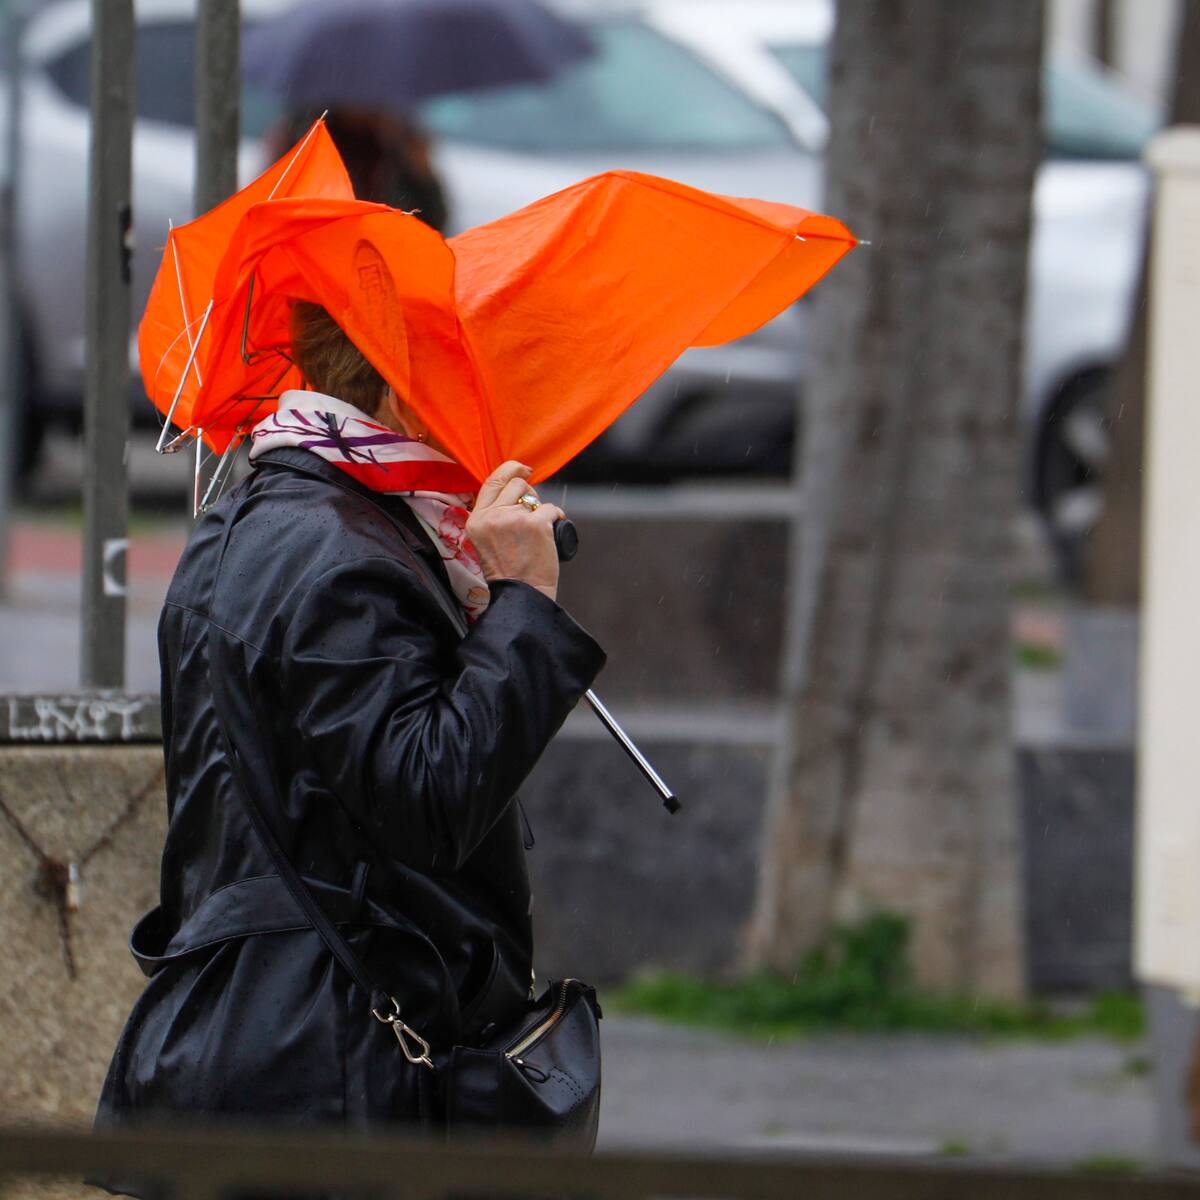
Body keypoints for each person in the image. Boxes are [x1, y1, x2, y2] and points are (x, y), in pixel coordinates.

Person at [93, 300, 605, 1165]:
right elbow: (433, 796)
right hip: (332, 1071)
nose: (490, 411)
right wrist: (524, 606)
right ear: (406, 389)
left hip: (260, 1034)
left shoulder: (250, 523)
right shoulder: (348, 555)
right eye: (469, 378)